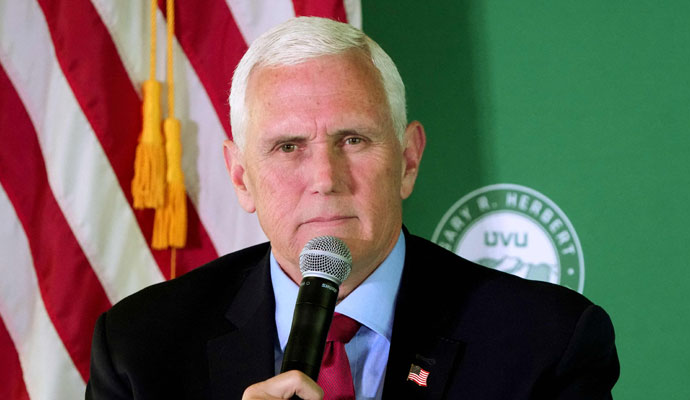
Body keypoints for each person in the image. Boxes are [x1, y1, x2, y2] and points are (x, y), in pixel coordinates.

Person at [86, 17, 619, 400]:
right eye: (288, 147)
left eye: (354, 140)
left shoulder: (546, 343)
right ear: (241, 178)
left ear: (408, 160)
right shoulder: (141, 348)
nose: (325, 179)